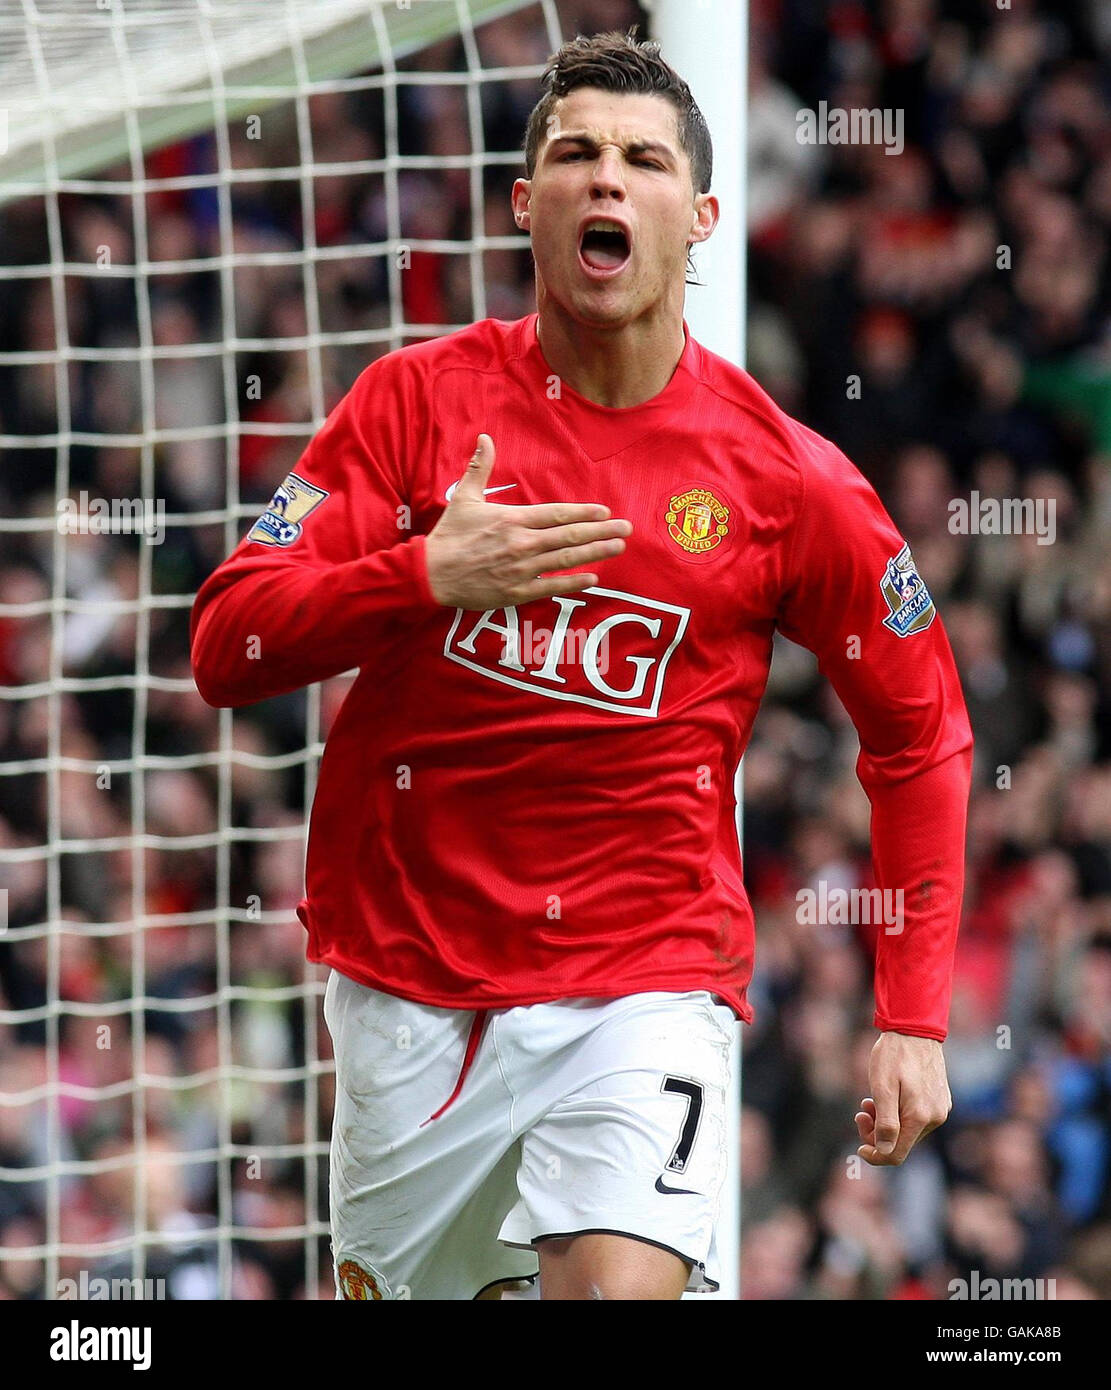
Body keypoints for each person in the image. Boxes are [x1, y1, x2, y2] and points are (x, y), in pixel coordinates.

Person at [190, 30, 973, 1301]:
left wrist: (914, 1011)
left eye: (643, 161)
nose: (608, 180)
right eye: (576, 154)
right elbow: (229, 643)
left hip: (642, 975)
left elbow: (920, 734)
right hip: (407, 980)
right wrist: (424, 577)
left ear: (701, 212)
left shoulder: (788, 481)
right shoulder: (410, 408)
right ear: (525, 202)